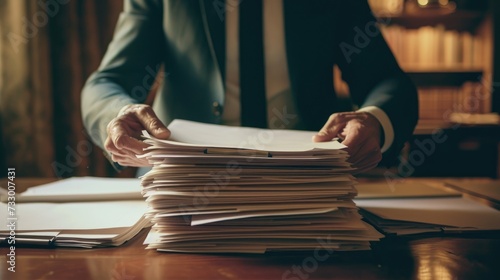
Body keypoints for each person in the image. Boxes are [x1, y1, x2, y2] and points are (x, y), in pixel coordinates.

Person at [81, 0, 418, 174]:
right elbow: (107, 82)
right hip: (183, 187)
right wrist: (117, 114)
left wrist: (373, 118)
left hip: (307, 185)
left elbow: (387, 80)